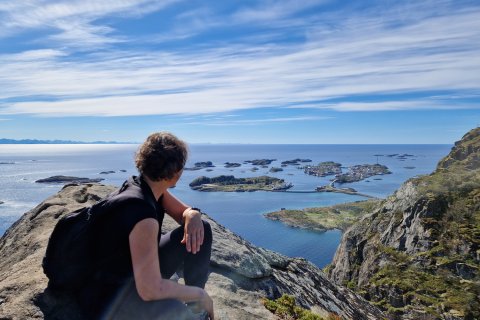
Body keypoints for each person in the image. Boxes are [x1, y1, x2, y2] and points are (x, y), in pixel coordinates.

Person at [76, 132, 214, 320]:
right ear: (176, 173)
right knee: (175, 311)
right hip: (119, 290)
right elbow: (149, 290)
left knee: (201, 228)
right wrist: (201, 295)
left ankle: (195, 308)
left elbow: (184, 212)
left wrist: (193, 214)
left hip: (131, 267)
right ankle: (196, 306)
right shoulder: (143, 216)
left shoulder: (142, 185)